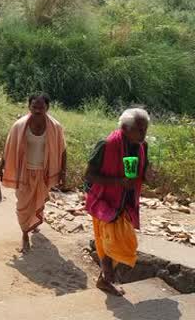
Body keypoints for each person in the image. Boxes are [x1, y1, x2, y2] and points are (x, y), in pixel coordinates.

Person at [85, 108, 151, 296]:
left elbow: (142, 173)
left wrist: (148, 175)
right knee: (108, 242)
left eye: (145, 129)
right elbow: (89, 176)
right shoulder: (106, 145)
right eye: (139, 130)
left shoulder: (142, 146)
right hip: (104, 201)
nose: (143, 134)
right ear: (124, 127)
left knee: (126, 243)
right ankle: (107, 278)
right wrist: (118, 182)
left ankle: (104, 279)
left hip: (127, 203)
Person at [0, 94, 66, 253]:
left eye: (41, 107)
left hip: (44, 172)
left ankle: (33, 223)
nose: (37, 110)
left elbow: (62, 150)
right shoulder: (19, 126)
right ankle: (24, 234)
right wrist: (0, 167)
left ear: (47, 108)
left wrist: (63, 172)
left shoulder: (55, 127)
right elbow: (9, 148)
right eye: (34, 107)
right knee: (23, 204)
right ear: (29, 107)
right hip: (24, 172)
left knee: (39, 200)